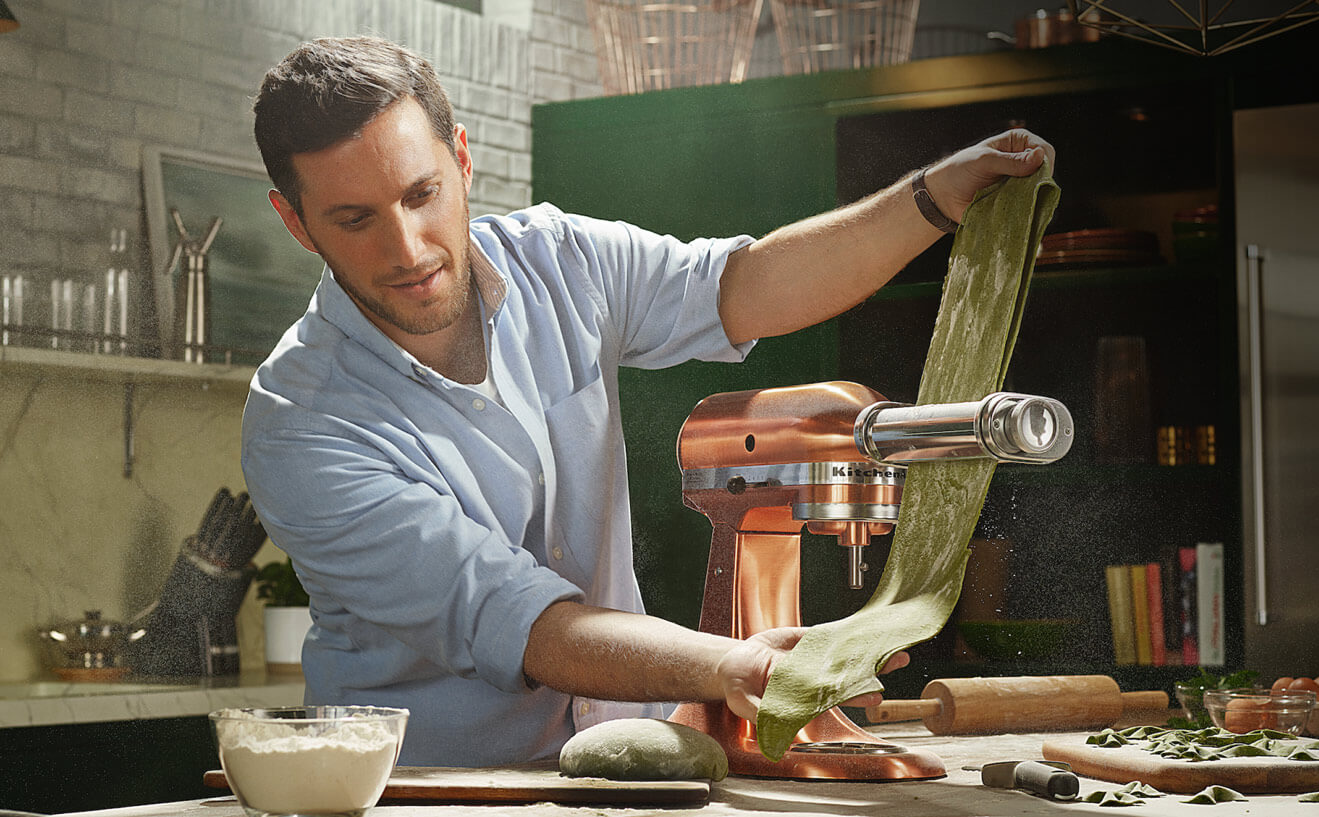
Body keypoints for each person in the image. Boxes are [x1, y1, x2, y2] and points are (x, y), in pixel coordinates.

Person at [242, 35, 1055, 767]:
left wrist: (934, 198)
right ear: (296, 222)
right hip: (437, 791)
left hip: (629, 771)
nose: (409, 248)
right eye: (356, 220)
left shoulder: (558, 261)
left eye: (423, 194)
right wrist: (732, 664)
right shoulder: (301, 421)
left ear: (460, 158)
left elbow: (744, 286)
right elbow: (523, 622)